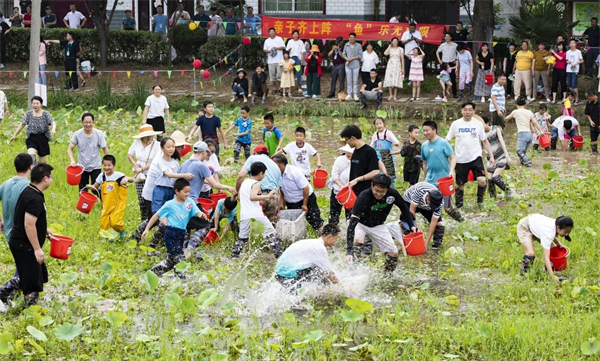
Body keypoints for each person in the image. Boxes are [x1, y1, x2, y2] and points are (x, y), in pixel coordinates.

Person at [4, 163, 54, 307]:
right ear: (45, 178)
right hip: (23, 244)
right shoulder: (34, 198)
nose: (51, 180)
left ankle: (29, 306)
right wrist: (37, 248)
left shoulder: (31, 191)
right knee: (30, 278)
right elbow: (28, 224)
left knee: (34, 277)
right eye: (51, 177)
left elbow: (34, 219)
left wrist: (44, 230)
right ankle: (3, 295)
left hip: (23, 242)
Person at [346, 174, 417, 271]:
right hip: (360, 223)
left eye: (382, 192)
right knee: (359, 240)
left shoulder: (393, 194)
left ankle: (387, 276)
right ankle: (354, 269)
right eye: (376, 191)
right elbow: (353, 221)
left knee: (393, 252)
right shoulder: (364, 196)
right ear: (372, 186)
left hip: (378, 225)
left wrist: (411, 225)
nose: (379, 194)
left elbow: (404, 208)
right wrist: (349, 250)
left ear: (388, 189)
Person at [179, 141, 236, 256]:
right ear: (203, 152)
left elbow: (197, 180)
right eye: (207, 154)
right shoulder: (201, 165)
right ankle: (190, 248)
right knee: (205, 226)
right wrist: (228, 187)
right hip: (191, 202)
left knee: (186, 225)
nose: (207, 157)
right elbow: (215, 185)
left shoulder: (185, 164)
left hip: (179, 201)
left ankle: (183, 249)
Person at [142, 179, 206, 278]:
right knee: (180, 259)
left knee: (171, 261)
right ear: (177, 191)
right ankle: (181, 280)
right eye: (185, 192)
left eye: (189, 191)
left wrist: (201, 214)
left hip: (182, 233)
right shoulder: (169, 204)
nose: (187, 194)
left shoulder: (190, 202)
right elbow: (156, 215)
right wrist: (147, 229)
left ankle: (152, 273)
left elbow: (196, 211)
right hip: (171, 234)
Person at [446, 102, 496, 208]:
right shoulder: (456, 124)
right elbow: (447, 140)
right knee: (460, 184)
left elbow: (485, 141)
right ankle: (459, 205)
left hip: (475, 157)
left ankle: (480, 202)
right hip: (460, 158)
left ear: (474, 111)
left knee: (482, 180)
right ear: (461, 111)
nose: (467, 112)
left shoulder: (478, 124)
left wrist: (491, 156)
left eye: (470, 110)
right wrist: (447, 155)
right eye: (465, 109)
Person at [231, 162, 282, 258]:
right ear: (261, 173)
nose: (265, 175)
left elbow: (243, 197)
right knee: (272, 233)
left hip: (244, 214)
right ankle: (279, 256)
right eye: (264, 173)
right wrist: (268, 195)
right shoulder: (256, 183)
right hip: (256, 214)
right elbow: (252, 197)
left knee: (242, 238)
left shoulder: (245, 182)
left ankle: (234, 256)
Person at [275, 224, 340, 293]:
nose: (335, 242)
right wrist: (341, 287)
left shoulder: (311, 243)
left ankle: (321, 293)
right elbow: (330, 273)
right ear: (330, 237)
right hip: (287, 274)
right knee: (322, 274)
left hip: (280, 271)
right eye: (335, 239)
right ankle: (327, 293)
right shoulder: (320, 248)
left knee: (318, 272)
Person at [420, 120, 462, 222]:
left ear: (434, 130)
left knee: (447, 208)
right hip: (430, 181)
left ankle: (461, 221)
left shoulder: (443, 143)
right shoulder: (424, 146)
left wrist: (451, 171)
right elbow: (424, 162)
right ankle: (432, 225)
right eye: (424, 131)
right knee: (428, 204)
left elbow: (452, 157)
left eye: (427, 130)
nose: (425, 133)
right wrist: (424, 178)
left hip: (444, 181)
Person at [272, 154, 324, 232]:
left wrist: (305, 204)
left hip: (306, 198)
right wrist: (281, 203)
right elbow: (282, 190)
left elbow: (305, 188)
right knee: (294, 222)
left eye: (276, 165)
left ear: (283, 163)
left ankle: (324, 237)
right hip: (291, 201)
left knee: (315, 220)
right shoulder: (275, 174)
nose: (274, 167)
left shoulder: (294, 172)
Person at [86, 155, 133, 236]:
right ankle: (107, 238)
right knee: (105, 222)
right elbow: (95, 187)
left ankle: (121, 230)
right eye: (104, 165)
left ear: (114, 166)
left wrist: (127, 179)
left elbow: (132, 179)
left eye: (109, 165)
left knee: (115, 222)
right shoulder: (102, 176)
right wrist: (91, 187)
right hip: (107, 204)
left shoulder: (118, 175)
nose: (106, 167)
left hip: (118, 203)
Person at [517, 214, 573, 281]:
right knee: (530, 253)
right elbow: (546, 257)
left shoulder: (557, 224)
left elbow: (551, 234)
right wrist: (553, 276)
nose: (566, 234)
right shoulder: (548, 232)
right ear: (558, 227)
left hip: (536, 225)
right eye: (565, 232)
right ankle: (523, 274)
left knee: (552, 250)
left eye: (568, 232)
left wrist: (558, 244)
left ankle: (548, 271)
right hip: (525, 226)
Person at [128, 124, 162, 221]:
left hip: (152, 173)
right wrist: (135, 165)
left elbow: (156, 161)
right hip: (139, 174)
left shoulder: (157, 145)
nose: (149, 138)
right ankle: (144, 218)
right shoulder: (136, 142)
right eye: (147, 136)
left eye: (150, 135)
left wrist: (142, 168)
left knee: (151, 197)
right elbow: (129, 154)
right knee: (141, 197)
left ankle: (152, 218)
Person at [67, 112, 109, 190]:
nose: (88, 124)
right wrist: (72, 161)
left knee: (97, 189)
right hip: (82, 167)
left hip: (96, 166)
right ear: (82, 123)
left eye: (90, 122)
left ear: (93, 122)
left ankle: (103, 202)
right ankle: (84, 202)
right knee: (83, 189)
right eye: (86, 122)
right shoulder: (77, 134)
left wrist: (108, 164)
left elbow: (105, 149)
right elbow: (70, 148)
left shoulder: (99, 134)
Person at [10, 96, 56, 165]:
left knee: (42, 163)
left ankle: (40, 172)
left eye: (37, 103)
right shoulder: (29, 114)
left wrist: (53, 129)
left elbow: (53, 122)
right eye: (33, 103)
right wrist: (15, 135)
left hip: (42, 137)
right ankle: (32, 170)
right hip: (31, 137)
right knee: (31, 156)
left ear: (41, 104)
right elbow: (22, 124)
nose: (35, 105)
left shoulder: (45, 113)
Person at [0, 154, 33, 246]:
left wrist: (0, 220)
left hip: (9, 237)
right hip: (24, 237)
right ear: (31, 167)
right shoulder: (29, 188)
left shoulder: (6, 184)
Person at [341, 125, 380, 198]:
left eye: (347, 139)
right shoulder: (355, 151)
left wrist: (358, 179)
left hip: (366, 191)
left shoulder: (370, 151)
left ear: (352, 138)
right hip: (354, 191)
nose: (347, 142)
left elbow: (375, 172)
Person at [403, 182, 445, 248]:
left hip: (424, 205)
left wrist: (426, 244)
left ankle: (436, 247)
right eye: (431, 205)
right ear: (427, 197)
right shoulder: (419, 190)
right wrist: (415, 228)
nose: (432, 207)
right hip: (409, 200)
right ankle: (407, 243)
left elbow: (433, 223)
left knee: (439, 224)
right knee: (407, 221)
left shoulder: (439, 203)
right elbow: (412, 211)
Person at [504, 97, 542, 167]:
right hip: (529, 135)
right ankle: (522, 165)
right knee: (523, 153)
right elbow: (535, 123)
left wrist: (503, 115)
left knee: (519, 151)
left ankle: (528, 162)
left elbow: (506, 119)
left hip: (522, 134)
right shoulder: (529, 112)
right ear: (525, 104)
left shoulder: (515, 112)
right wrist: (541, 131)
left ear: (516, 104)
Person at [483, 116, 512, 199]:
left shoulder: (496, 129)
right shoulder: (480, 133)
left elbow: (502, 142)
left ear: (487, 123)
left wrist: (507, 156)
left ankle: (508, 191)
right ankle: (493, 198)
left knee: (495, 177)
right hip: (490, 158)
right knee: (490, 180)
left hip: (501, 156)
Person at [327, 145, 353, 225]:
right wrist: (341, 185)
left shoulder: (358, 161)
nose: (348, 154)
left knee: (351, 215)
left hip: (351, 193)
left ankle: (350, 232)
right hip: (338, 190)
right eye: (346, 151)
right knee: (334, 214)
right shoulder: (340, 160)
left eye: (350, 152)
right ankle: (332, 231)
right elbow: (335, 174)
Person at [370, 117, 400, 182]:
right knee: (379, 174)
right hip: (379, 157)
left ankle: (391, 187)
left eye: (380, 123)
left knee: (390, 174)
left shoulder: (388, 133)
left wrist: (396, 144)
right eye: (377, 124)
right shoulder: (375, 135)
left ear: (384, 124)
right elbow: (372, 146)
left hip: (388, 157)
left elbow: (396, 141)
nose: (379, 125)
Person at [436, 33, 458, 98]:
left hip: (451, 63)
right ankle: (443, 94)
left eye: (448, 36)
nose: (447, 38)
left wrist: (456, 60)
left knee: (453, 79)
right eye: (446, 36)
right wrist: (439, 60)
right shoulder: (442, 45)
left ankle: (454, 94)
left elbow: (458, 53)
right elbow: (437, 52)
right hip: (444, 63)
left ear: (451, 37)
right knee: (443, 78)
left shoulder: (455, 45)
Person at [263, 28, 286, 92]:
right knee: (272, 77)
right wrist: (269, 51)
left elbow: (283, 47)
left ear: (275, 32)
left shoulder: (279, 39)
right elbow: (264, 49)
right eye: (270, 32)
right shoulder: (267, 41)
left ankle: (280, 88)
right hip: (271, 61)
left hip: (279, 60)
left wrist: (277, 48)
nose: (272, 33)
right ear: (269, 33)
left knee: (279, 75)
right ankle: (274, 88)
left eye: (273, 32)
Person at [383, 37, 405, 101]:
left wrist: (403, 68)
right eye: (394, 41)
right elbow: (385, 53)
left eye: (396, 41)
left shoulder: (400, 49)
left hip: (397, 65)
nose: (395, 42)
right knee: (389, 79)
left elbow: (402, 59)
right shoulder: (390, 48)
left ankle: (395, 95)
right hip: (390, 65)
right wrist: (389, 46)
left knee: (396, 79)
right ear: (392, 42)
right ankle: (390, 95)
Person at [343, 33, 363, 102]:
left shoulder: (358, 45)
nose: (352, 38)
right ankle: (349, 94)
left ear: (355, 38)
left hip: (356, 65)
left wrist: (352, 58)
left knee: (355, 80)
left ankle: (355, 94)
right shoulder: (346, 45)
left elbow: (360, 56)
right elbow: (343, 54)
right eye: (350, 37)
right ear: (349, 38)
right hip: (348, 65)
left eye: (353, 37)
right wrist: (347, 59)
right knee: (349, 80)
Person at [566, 39, 584, 105]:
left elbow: (582, 60)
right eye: (571, 43)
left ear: (576, 44)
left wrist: (577, 63)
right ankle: (571, 98)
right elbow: (566, 60)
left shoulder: (578, 52)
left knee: (574, 84)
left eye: (573, 43)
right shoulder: (568, 52)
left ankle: (577, 99)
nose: (572, 44)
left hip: (575, 69)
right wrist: (568, 62)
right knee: (570, 85)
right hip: (569, 69)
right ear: (569, 44)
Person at [585, 89, 600, 154]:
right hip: (593, 124)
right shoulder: (588, 103)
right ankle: (595, 153)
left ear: (592, 96)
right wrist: (590, 121)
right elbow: (587, 113)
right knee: (593, 140)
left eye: (588, 97)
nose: (588, 99)